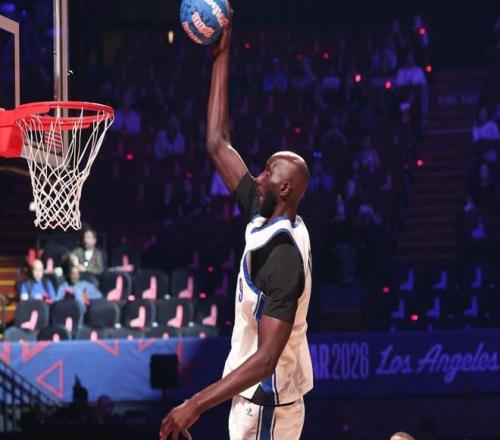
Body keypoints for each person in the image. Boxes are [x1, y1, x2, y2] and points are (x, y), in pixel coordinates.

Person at [160, 13, 313, 440]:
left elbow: (265, 361)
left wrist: (194, 405)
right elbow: (217, 143)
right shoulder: (266, 211)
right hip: (254, 404)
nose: (256, 177)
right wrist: (221, 56)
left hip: (268, 409)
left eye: (266, 172)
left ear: (284, 188)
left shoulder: (282, 257)